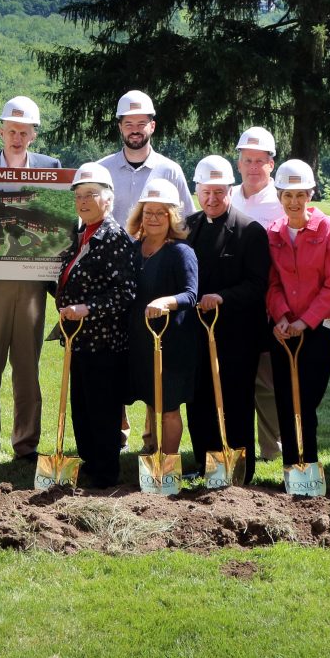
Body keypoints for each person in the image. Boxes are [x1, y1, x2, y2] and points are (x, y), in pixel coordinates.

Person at [0, 95, 62, 471]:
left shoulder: (50, 168)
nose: (17, 138)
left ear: (33, 135)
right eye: (11, 131)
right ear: (0, 130)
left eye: (25, 132)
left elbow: (55, 222)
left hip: (32, 285)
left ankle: (26, 445)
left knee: (27, 368)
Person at [53, 163, 139, 488]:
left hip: (104, 343)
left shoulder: (114, 237)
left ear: (109, 199)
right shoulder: (82, 235)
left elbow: (125, 292)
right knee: (83, 407)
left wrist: (85, 308)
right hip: (79, 341)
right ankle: (90, 463)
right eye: (79, 196)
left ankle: (105, 473)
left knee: (102, 409)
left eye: (91, 195)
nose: (83, 201)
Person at [183, 155, 269, 481]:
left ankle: (237, 472)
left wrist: (223, 297)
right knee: (199, 400)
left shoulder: (250, 231)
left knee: (236, 403)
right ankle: (204, 466)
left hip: (236, 336)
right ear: (197, 190)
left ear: (230, 191)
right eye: (206, 191)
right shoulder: (187, 227)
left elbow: (257, 285)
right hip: (196, 333)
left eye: (219, 192)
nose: (212, 198)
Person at [264, 158, 330, 475]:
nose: (294, 202)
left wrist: (304, 321)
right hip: (284, 327)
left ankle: (308, 464)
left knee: (308, 398)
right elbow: (271, 282)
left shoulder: (329, 229)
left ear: (310, 194)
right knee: (285, 398)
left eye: (300, 195)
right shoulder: (274, 232)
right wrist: (282, 316)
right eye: (288, 195)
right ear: (280, 196)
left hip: (319, 326)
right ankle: (290, 469)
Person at [124, 178, 198, 461]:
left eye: (161, 213)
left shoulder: (181, 252)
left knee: (168, 406)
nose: (153, 218)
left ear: (172, 217)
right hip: (141, 340)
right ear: (140, 216)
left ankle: (167, 463)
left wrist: (165, 302)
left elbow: (191, 295)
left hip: (172, 342)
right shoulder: (134, 249)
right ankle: (151, 453)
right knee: (150, 399)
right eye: (148, 212)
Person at [226, 125, 285, 463]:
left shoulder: (279, 201)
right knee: (234, 377)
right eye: (246, 160)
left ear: (271, 165)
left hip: (267, 304)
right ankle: (234, 444)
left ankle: (270, 449)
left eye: (259, 161)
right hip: (233, 303)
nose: (252, 167)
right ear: (238, 163)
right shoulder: (228, 195)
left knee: (266, 382)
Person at [96, 90, 194, 227]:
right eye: (128, 124)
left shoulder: (170, 171)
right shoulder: (101, 170)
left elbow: (187, 221)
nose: (135, 130)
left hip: (158, 249)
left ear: (152, 126)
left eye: (141, 124)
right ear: (120, 128)